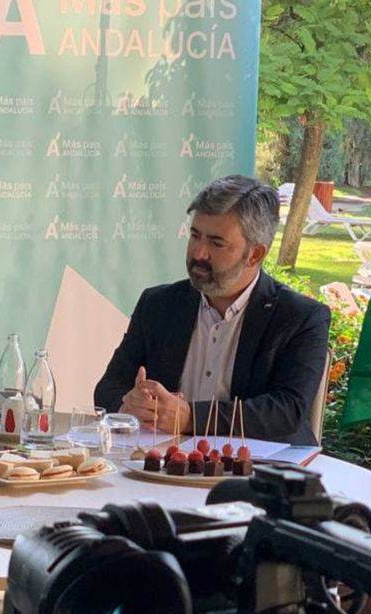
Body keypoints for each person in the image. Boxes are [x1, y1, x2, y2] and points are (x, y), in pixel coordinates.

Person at [94, 174, 330, 445]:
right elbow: (109, 387)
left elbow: (287, 410)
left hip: (259, 467)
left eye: (216, 243)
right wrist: (130, 404)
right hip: (164, 462)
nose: (199, 253)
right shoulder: (158, 304)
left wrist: (191, 418)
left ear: (255, 254)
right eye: (195, 236)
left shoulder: (300, 317)